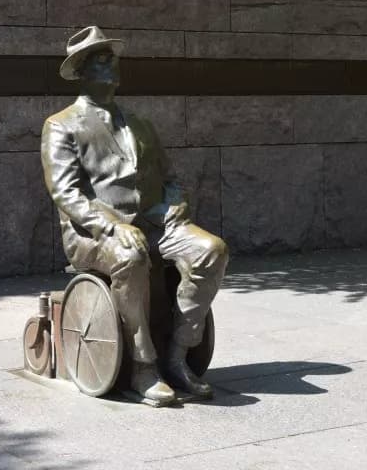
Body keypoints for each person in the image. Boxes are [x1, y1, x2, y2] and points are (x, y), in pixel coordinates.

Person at [40, 25, 229, 405]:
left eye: (113, 60)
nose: (113, 66)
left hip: (155, 223)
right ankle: (143, 366)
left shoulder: (141, 124)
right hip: (94, 233)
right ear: (81, 71)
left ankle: (177, 355)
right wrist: (111, 225)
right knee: (131, 255)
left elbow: (171, 179)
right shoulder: (61, 125)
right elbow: (66, 193)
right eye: (101, 60)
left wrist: (176, 206)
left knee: (212, 250)